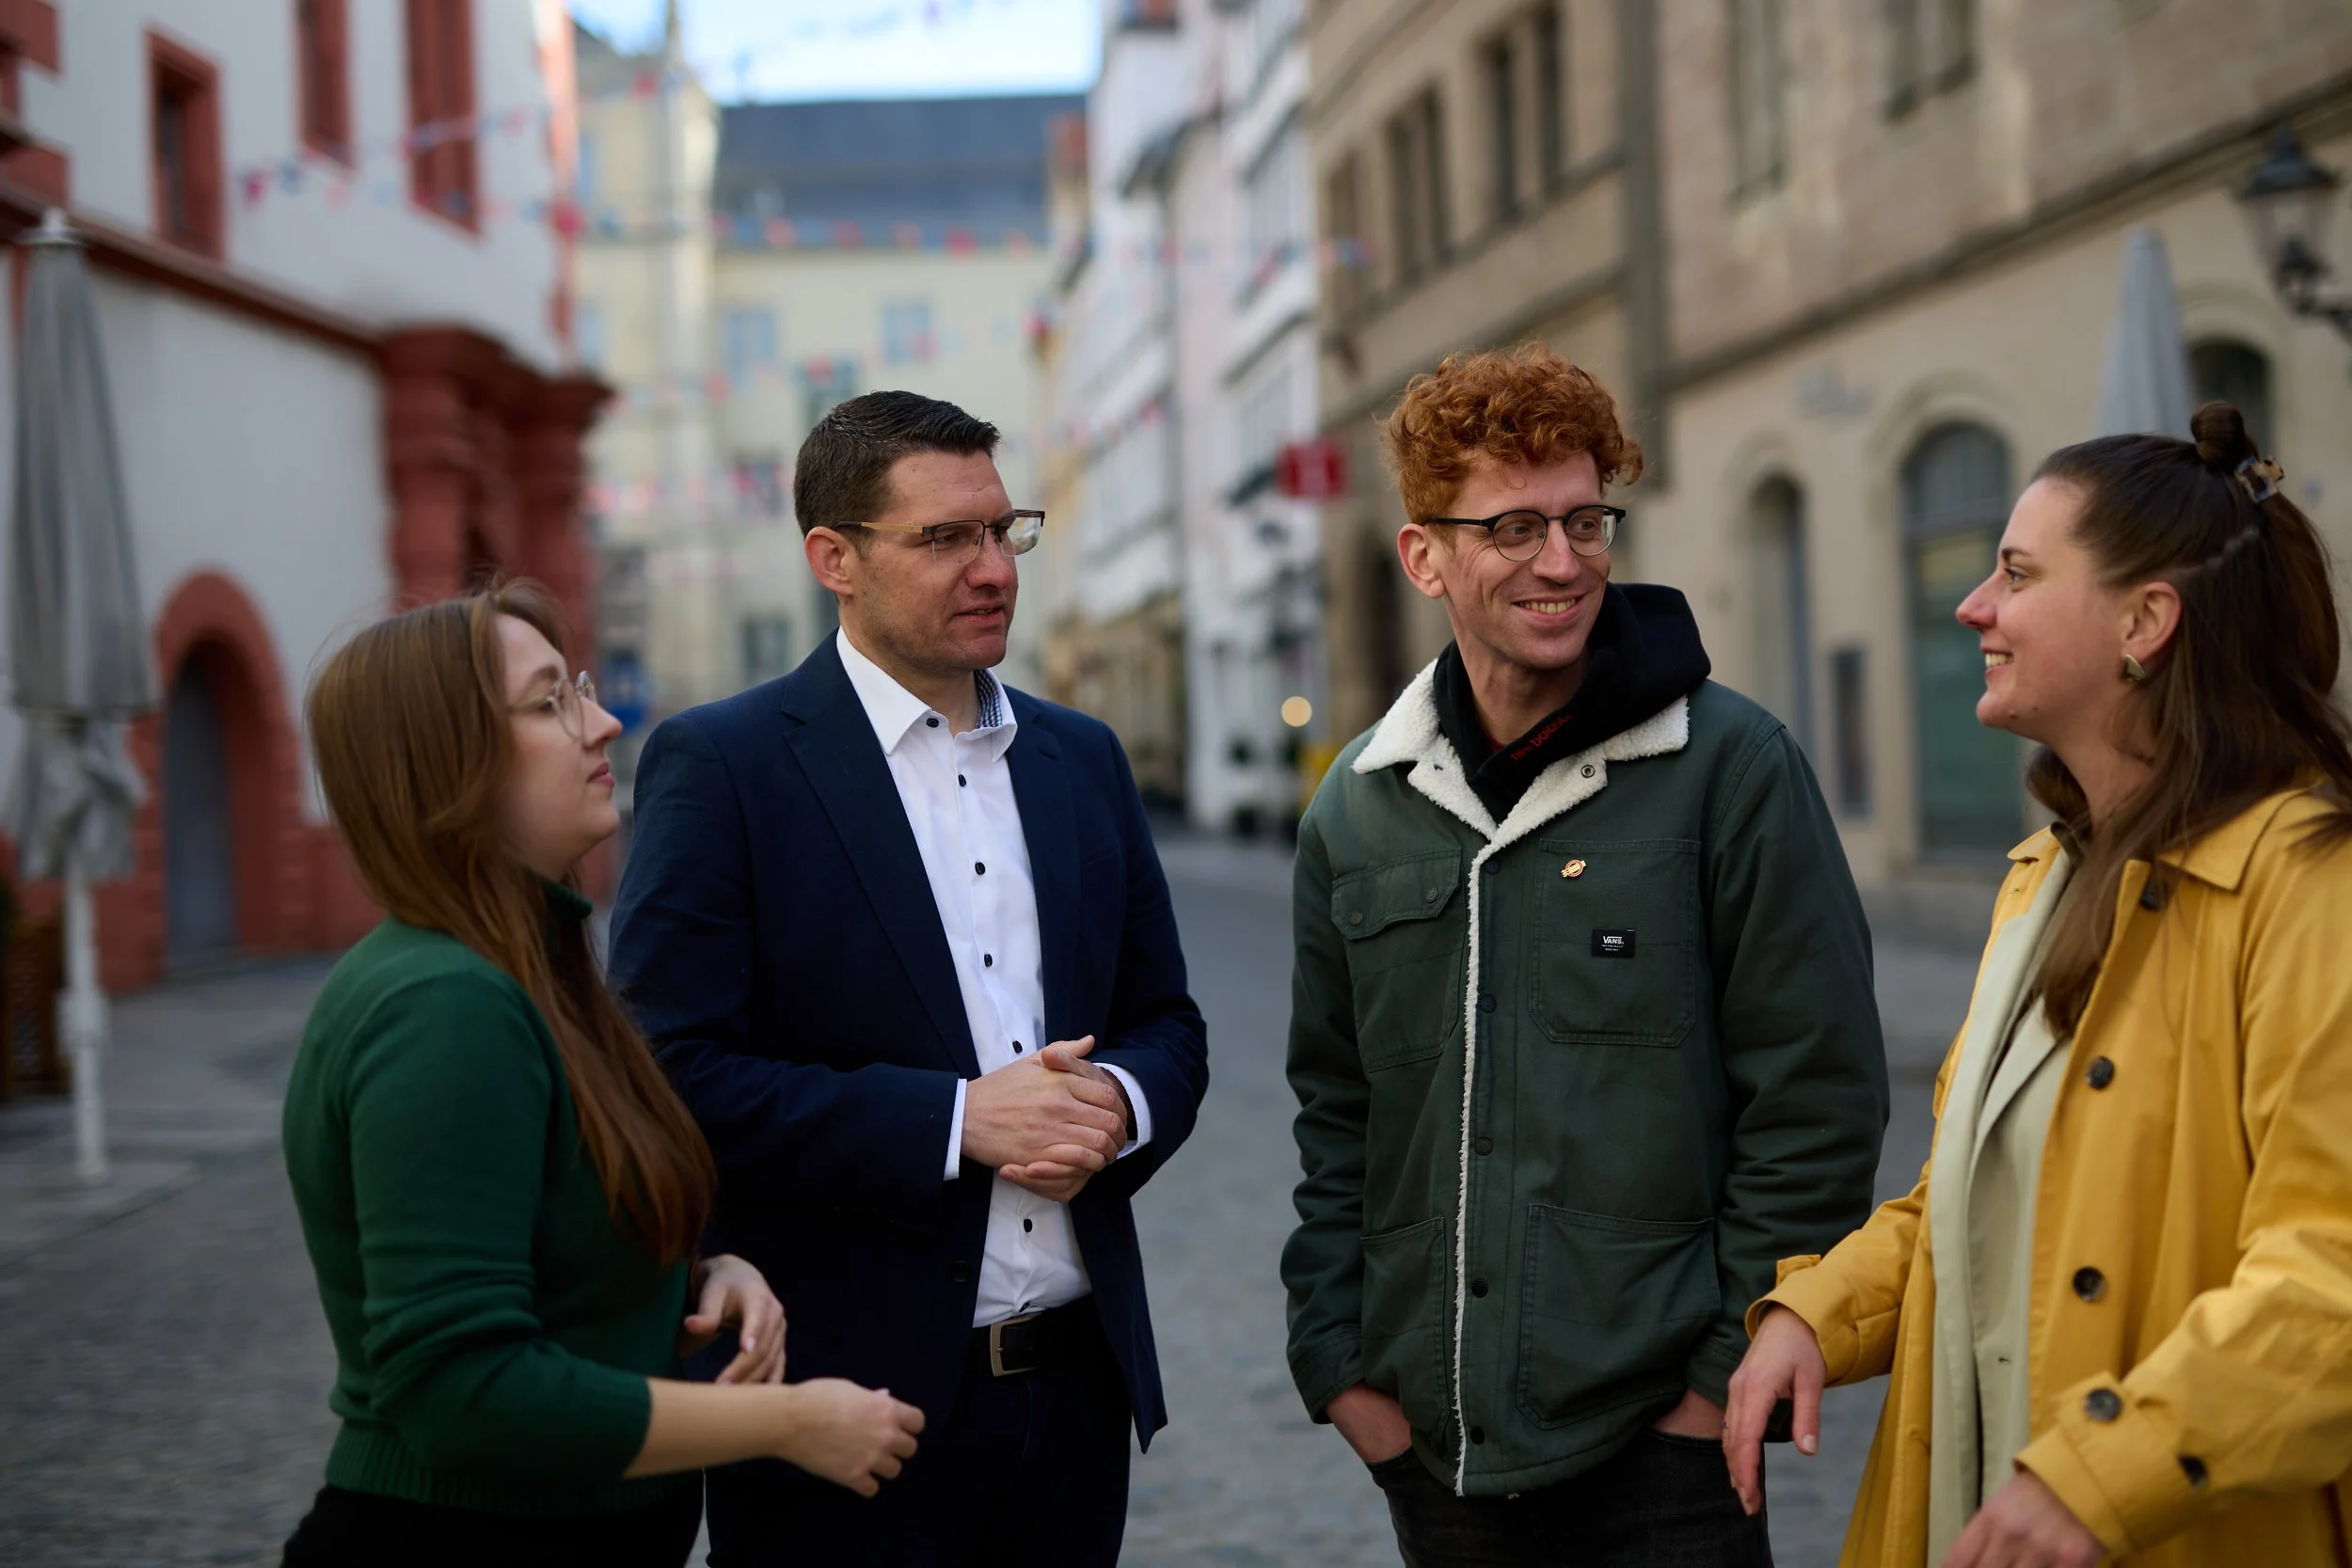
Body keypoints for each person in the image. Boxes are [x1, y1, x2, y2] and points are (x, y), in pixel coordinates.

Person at [1282, 343, 1888, 1566]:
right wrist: (1339, 1359)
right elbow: (1338, 1110)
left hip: (1666, 1450)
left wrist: (1714, 1384)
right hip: (1438, 1450)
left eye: (1584, 519)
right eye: (1512, 527)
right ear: (1425, 555)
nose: (1562, 561)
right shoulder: (1357, 804)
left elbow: (1815, 1096)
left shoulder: (1728, 768)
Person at [1725, 403, 2352, 1568]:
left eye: (2014, 573)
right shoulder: (2043, 877)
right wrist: (1818, 1308)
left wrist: (2102, 1472)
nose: (1972, 607)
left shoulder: (2309, 882)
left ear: (2145, 621)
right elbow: (1975, 1199)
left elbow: (2331, 1275)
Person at [610, 390, 1210, 1566]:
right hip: (841, 1405)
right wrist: (957, 1119)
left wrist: (1116, 1104)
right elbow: (665, 1076)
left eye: (1004, 529)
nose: (992, 568)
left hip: (1075, 1388)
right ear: (833, 557)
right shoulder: (724, 765)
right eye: (944, 538)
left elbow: (1166, 1023)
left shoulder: (1081, 757)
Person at [280, 583, 924, 1568]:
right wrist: (786, 1422)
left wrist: (703, 1272)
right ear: (446, 759)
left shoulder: (535, 967)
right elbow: (461, 1384)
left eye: (578, 687)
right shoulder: (441, 1002)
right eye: (549, 702)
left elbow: (554, 1237)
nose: (603, 720)